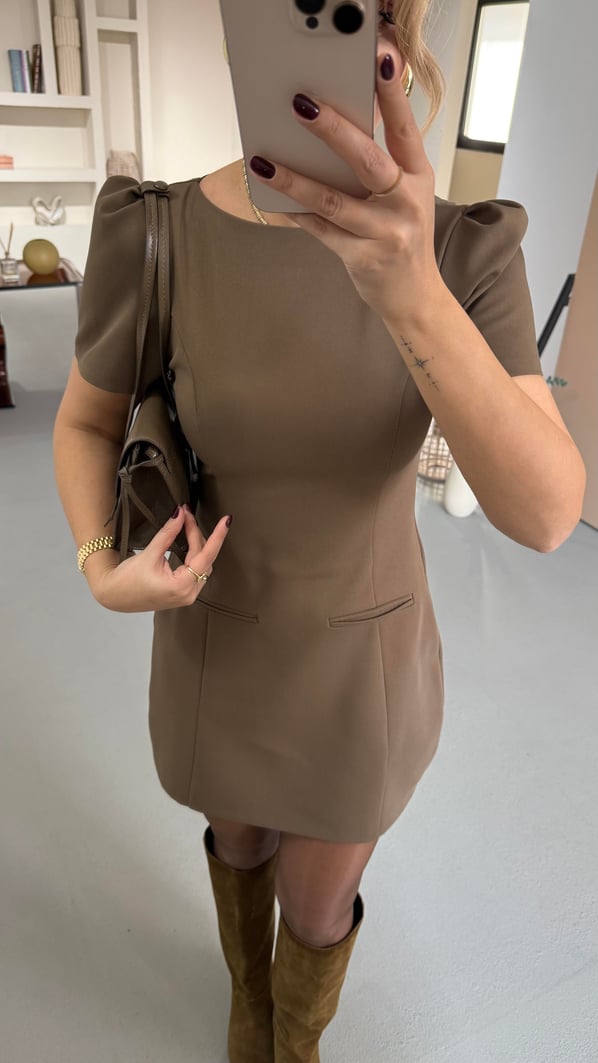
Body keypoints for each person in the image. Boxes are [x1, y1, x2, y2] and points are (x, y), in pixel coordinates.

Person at [53, 2, 586, 1060]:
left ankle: (291, 1041)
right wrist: (98, 565)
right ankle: (248, 1011)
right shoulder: (156, 232)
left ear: (392, 39)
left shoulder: (462, 250)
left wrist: (412, 294)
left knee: (316, 902)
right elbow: (84, 420)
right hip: (215, 639)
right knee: (237, 843)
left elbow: (544, 513)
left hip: (361, 667)